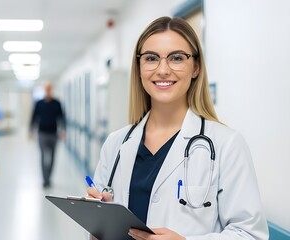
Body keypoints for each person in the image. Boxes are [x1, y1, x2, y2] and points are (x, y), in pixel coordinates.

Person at [87, 16, 268, 239]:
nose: (163, 70)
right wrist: (99, 225)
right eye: (151, 58)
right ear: (140, 67)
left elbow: (250, 234)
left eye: (176, 58)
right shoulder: (116, 143)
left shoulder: (227, 145)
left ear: (196, 68)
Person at [29, 83, 66, 188]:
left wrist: (63, 130)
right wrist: (31, 130)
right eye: (47, 89)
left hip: (54, 134)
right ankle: (45, 179)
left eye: (50, 89)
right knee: (44, 156)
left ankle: (49, 178)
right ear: (45, 90)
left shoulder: (56, 103)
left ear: (52, 90)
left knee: (53, 157)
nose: (48, 91)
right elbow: (34, 117)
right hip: (42, 134)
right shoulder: (39, 103)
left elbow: (62, 117)